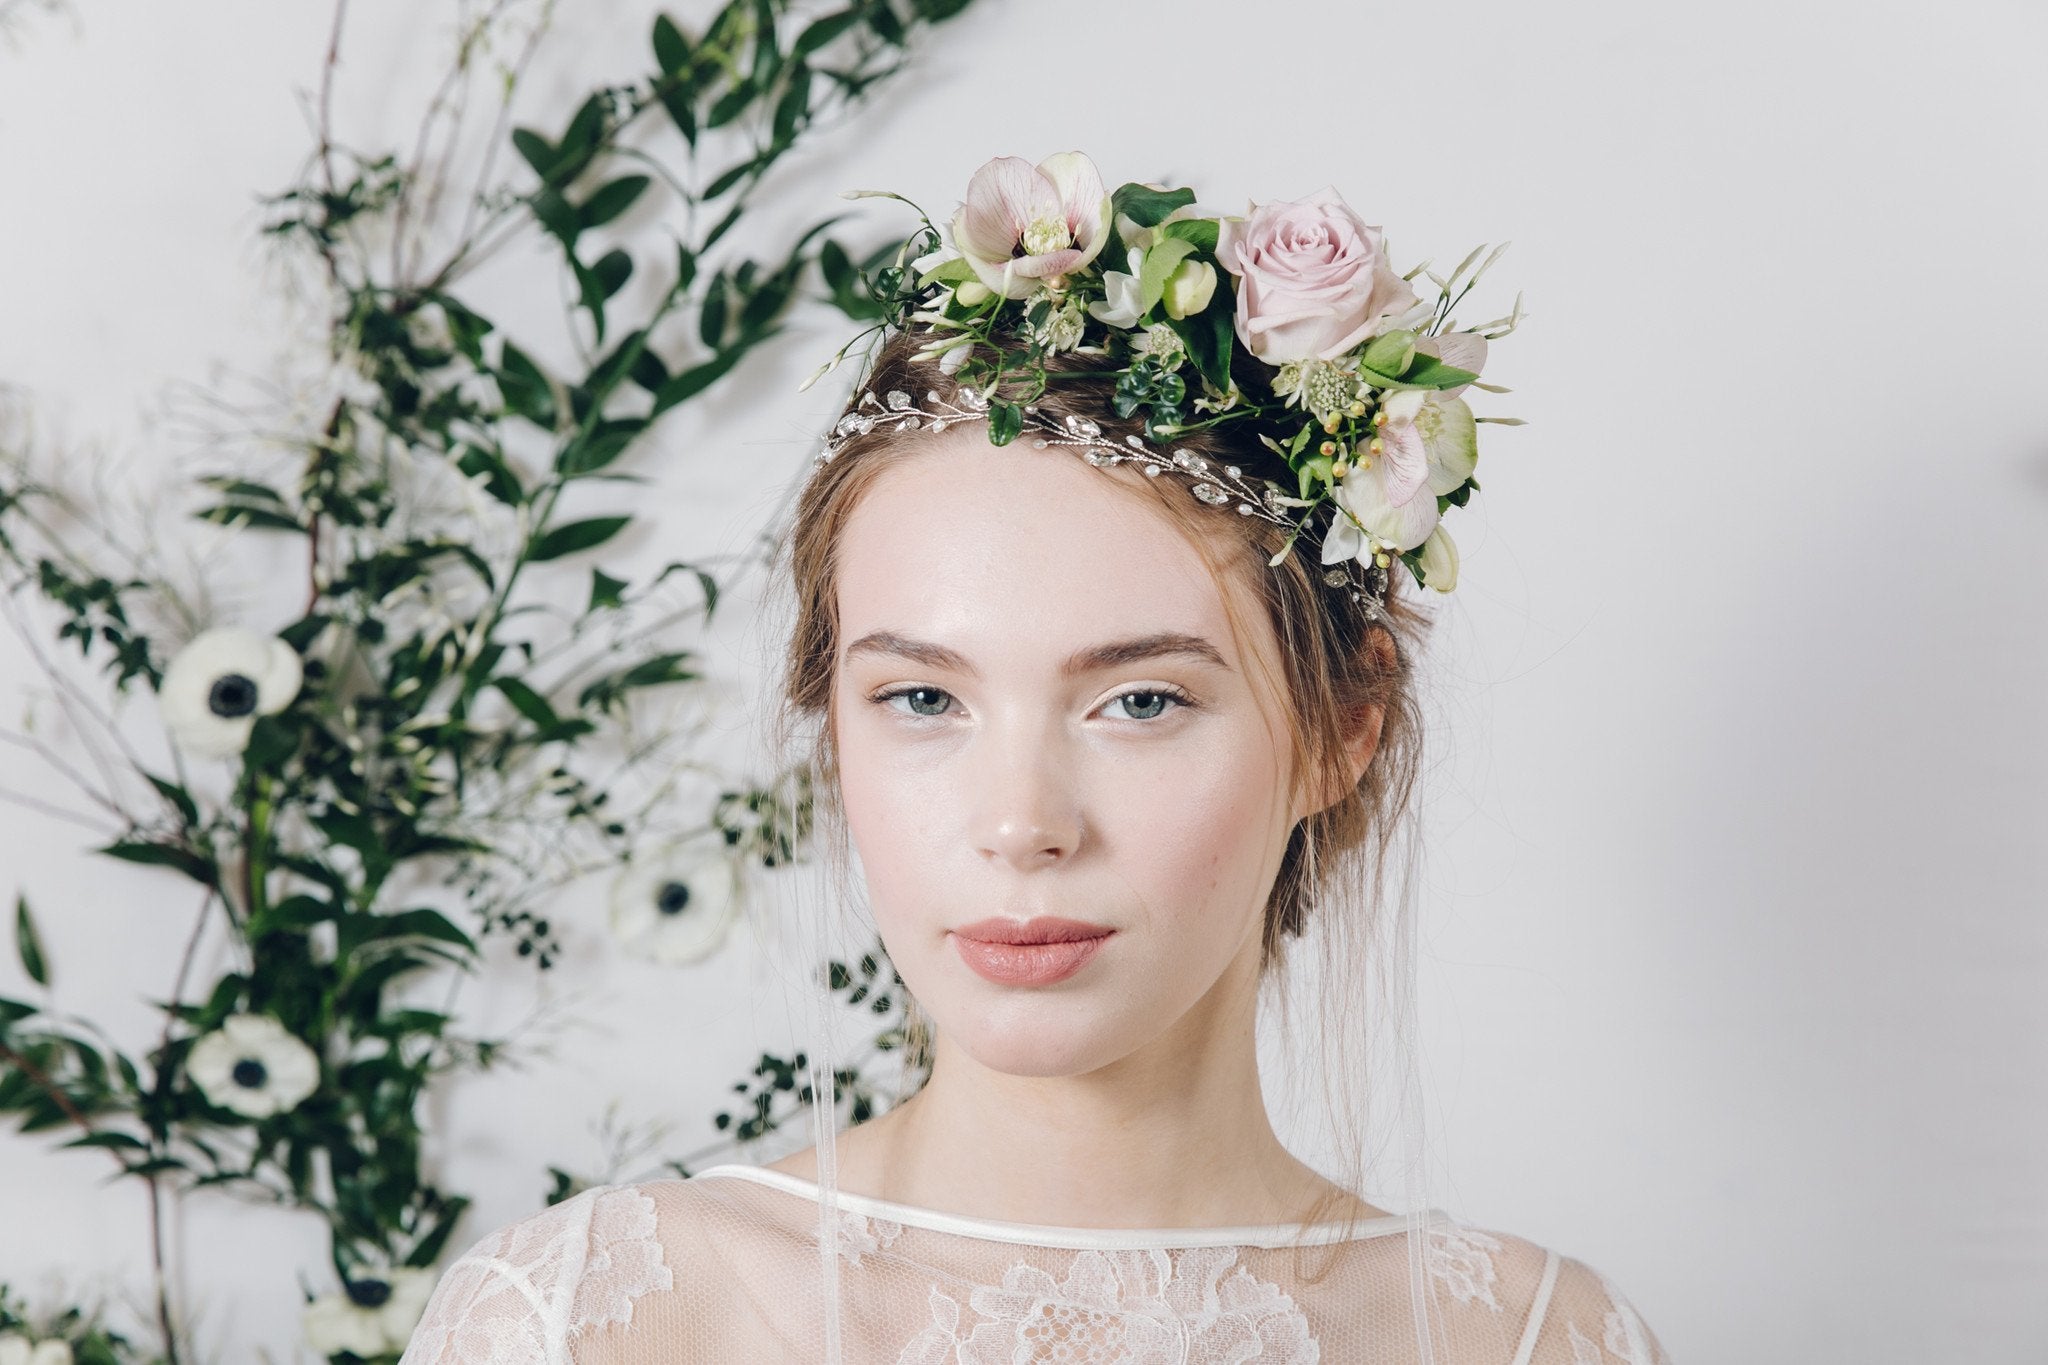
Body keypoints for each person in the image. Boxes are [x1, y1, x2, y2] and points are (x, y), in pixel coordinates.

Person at [397, 153, 1674, 1363]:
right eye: (919, 699)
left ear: (1341, 731)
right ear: (828, 721)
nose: (1021, 825)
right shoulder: (587, 1326)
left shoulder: (1527, 1340)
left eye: (1138, 703)